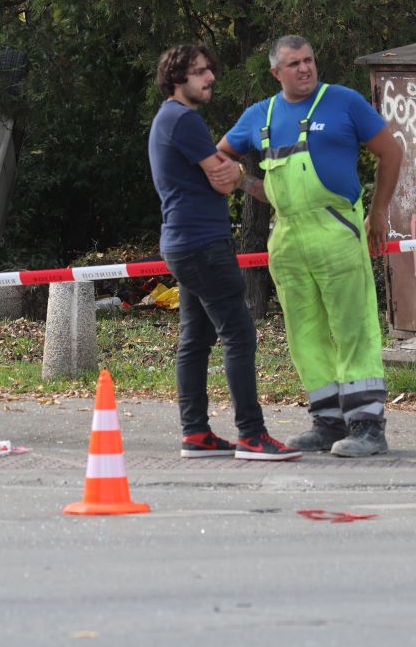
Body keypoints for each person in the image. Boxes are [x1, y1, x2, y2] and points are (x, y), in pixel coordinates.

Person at [217, 35, 403, 457]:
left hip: (337, 233)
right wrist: (245, 182)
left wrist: (377, 214)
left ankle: (368, 426)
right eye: (294, 63)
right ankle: (327, 422)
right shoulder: (258, 116)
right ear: (275, 72)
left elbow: (391, 154)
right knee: (305, 334)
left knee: (353, 329)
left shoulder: (343, 102)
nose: (305, 68)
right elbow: (218, 158)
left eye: (309, 60)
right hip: (288, 240)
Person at [147, 43, 301, 462]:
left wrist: (230, 173)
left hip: (183, 242)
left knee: (195, 339)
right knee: (239, 333)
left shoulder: (169, 120)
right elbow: (221, 179)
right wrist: (238, 177)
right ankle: (253, 435)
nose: (210, 77)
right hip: (202, 244)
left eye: (209, 69)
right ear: (177, 79)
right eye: (199, 72)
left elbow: (222, 172)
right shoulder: (183, 119)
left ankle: (195, 433)